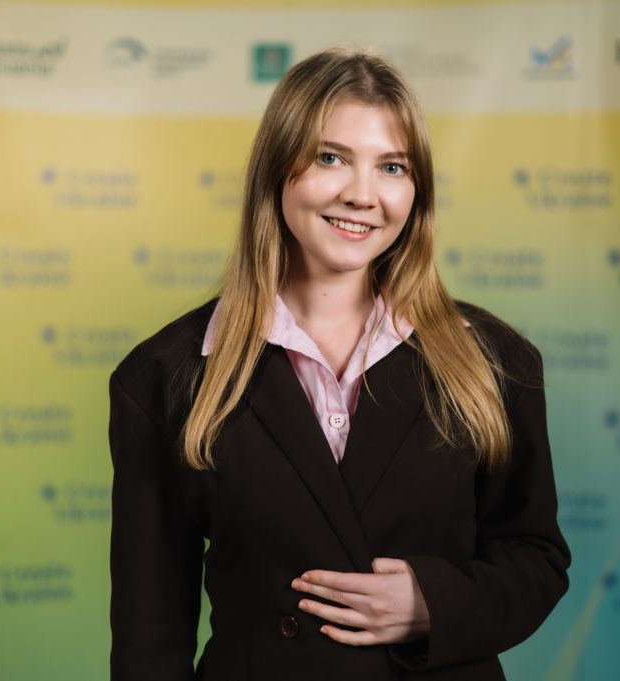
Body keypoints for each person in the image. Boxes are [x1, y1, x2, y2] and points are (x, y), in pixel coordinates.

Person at [109, 47, 570, 681]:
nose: (362, 195)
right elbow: (149, 635)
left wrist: (432, 605)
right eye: (331, 158)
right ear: (277, 170)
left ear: (417, 192)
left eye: (392, 167)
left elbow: (535, 557)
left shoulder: (494, 360)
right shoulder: (165, 376)